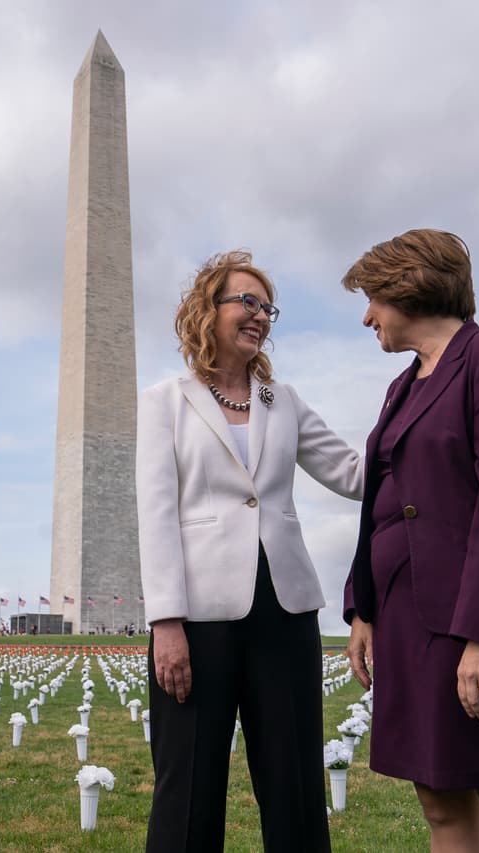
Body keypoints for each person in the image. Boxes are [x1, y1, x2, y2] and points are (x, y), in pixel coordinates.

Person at [340, 229, 479, 852]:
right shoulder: (403, 385)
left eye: (372, 300)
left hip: (474, 620)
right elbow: (382, 505)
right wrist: (363, 606)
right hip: (407, 617)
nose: (367, 317)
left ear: (406, 288)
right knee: (441, 805)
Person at [137, 250, 363, 851]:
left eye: (268, 307)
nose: (260, 315)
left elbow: (353, 473)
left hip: (285, 614)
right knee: (187, 790)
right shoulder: (165, 402)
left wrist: (429, 437)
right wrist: (166, 622)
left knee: (294, 788)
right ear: (207, 311)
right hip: (197, 621)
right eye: (247, 301)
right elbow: (156, 514)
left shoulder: (282, 399)